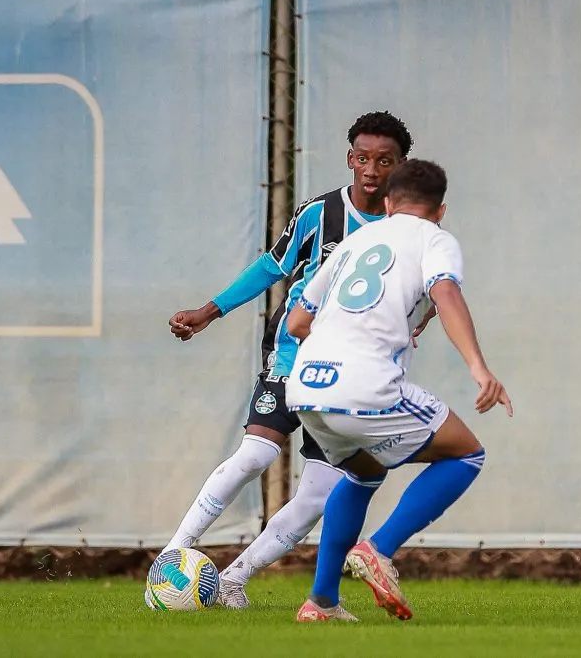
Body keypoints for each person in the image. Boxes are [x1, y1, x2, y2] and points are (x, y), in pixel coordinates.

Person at [158, 111, 422, 610]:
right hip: (293, 356)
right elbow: (270, 266)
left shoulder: (406, 230)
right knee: (257, 454)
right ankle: (173, 553)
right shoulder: (320, 213)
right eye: (362, 158)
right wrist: (209, 312)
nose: (370, 169)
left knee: (319, 496)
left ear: (400, 166)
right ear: (349, 159)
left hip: (351, 376)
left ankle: (235, 578)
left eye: (383, 161)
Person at [284, 158, 513, 622]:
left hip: (306, 386)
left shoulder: (354, 241)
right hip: (363, 384)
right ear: (440, 210)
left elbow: (297, 321)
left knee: (363, 473)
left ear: (388, 203)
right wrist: (479, 367)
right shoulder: (436, 239)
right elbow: (445, 292)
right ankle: (379, 549)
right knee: (467, 453)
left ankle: (322, 602)